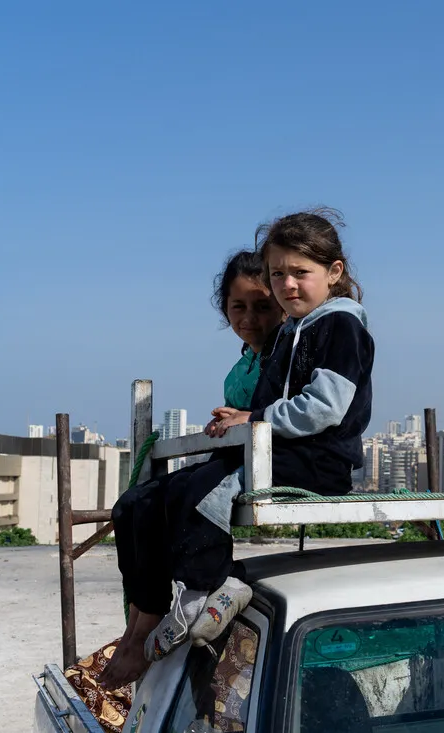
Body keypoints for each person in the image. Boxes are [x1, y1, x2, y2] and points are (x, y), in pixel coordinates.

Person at [100, 249, 283, 690]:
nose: (250, 317)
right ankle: (137, 625)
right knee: (134, 504)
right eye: (238, 307)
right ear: (225, 309)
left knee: (190, 496)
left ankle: (190, 596)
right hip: (232, 453)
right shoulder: (244, 362)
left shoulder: (285, 355)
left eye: (262, 306)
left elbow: (276, 411)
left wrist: (247, 416)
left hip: (263, 461)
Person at [211, 207, 374, 497]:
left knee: (200, 494)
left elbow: (323, 408)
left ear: (333, 272)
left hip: (317, 464)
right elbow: (274, 402)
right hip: (280, 456)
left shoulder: (341, 326)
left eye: (300, 272)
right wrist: (239, 417)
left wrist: (252, 419)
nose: (287, 284)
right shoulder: (287, 336)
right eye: (277, 274)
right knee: (160, 494)